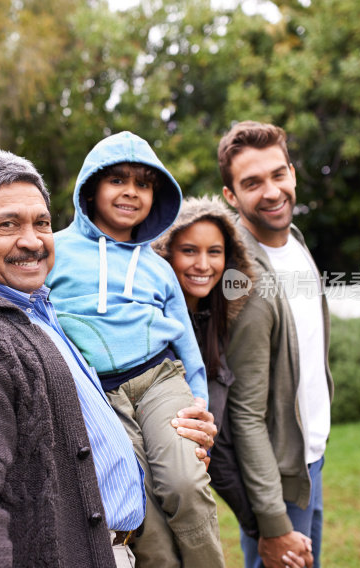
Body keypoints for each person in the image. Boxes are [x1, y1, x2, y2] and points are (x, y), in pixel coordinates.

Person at [0, 150, 217, 568]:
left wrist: (184, 426)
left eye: (41, 223)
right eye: (8, 224)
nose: (32, 240)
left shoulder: (38, 310)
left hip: (114, 549)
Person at [46, 131, 225, 568]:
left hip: (159, 380)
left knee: (184, 482)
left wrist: (199, 406)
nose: (130, 191)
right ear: (91, 189)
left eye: (143, 183)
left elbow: (186, 344)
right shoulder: (54, 252)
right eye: (118, 180)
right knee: (138, 510)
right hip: (99, 398)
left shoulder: (159, 269)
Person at [153, 195, 309, 568]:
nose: (203, 265)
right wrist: (269, 529)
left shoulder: (213, 323)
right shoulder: (155, 328)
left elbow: (219, 443)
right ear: (166, 254)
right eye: (189, 250)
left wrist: (269, 529)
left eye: (215, 252)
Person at [218, 120, 333, 568]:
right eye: (252, 183)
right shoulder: (241, 277)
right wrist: (271, 520)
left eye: (278, 174)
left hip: (310, 457)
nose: (271, 192)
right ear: (231, 196)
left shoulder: (296, 243)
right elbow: (245, 413)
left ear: (292, 173)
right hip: (278, 479)